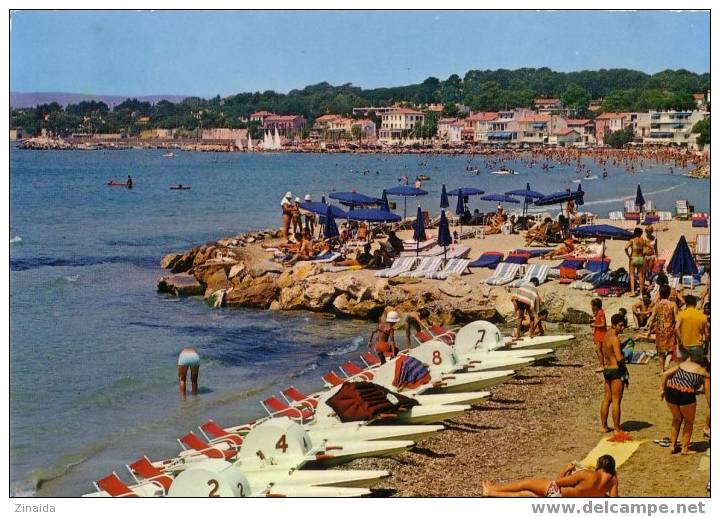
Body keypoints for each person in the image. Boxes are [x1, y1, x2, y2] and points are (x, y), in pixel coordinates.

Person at [482, 455, 619, 497]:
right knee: (524, 494)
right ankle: (492, 492)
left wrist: (566, 469)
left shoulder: (587, 474)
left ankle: (495, 488)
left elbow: (558, 482)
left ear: (599, 466)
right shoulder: (613, 480)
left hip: (557, 492)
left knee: (526, 484)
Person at [660, 355, 710, 455]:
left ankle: (672, 446)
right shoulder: (706, 373)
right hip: (686, 393)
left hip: (670, 390)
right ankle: (685, 448)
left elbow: (664, 374)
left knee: (676, 419)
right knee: (688, 421)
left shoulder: (683, 364)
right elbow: (708, 395)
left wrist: (662, 390)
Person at [600, 314, 628, 434]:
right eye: (620, 326)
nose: (622, 328)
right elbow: (619, 358)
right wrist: (626, 356)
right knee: (616, 400)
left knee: (607, 398)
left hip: (607, 369)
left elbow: (603, 350)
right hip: (616, 370)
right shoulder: (615, 339)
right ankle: (617, 429)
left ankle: (603, 426)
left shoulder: (606, 335)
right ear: (614, 325)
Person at [647, 284, 678, 373]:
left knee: (660, 351)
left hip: (660, 329)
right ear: (668, 294)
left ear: (660, 293)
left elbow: (652, 318)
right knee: (670, 349)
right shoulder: (673, 304)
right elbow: (676, 319)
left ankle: (661, 370)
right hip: (670, 329)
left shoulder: (657, 305)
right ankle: (667, 363)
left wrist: (649, 330)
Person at [675, 295, 708, 361]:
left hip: (684, 345)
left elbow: (676, 328)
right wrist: (706, 346)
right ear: (695, 304)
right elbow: (706, 333)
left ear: (686, 304)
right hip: (697, 346)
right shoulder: (702, 316)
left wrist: (681, 341)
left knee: (684, 367)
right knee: (696, 367)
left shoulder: (681, 314)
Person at [625, 227, 646, 296]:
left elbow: (626, 247)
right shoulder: (643, 240)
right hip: (640, 258)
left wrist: (628, 255)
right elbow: (645, 249)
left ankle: (633, 291)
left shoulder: (632, 240)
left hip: (633, 257)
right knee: (640, 275)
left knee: (632, 275)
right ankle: (641, 293)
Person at [590, 298, 607, 372]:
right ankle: (602, 364)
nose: (592, 307)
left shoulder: (600, 313)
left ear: (596, 306)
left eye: (592, 306)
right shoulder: (599, 312)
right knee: (599, 350)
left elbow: (603, 324)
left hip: (600, 334)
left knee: (598, 350)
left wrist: (594, 325)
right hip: (598, 333)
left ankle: (602, 365)